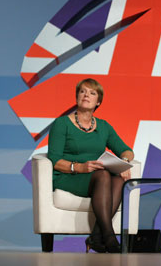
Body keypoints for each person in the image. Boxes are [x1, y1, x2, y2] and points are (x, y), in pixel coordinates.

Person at [47, 78, 134, 253]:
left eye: (92, 93)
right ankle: (108, 237)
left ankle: (95, 237)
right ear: (77, 97)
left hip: (95, 178)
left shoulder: (103, 126)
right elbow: (55, 160)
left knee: (118, 180)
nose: (86, 95)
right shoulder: (62, 124)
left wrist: (124, 163)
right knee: (103, 175)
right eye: (82, 91)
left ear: (98, 101)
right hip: (68, 176)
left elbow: (126, 150)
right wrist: (79, 167)